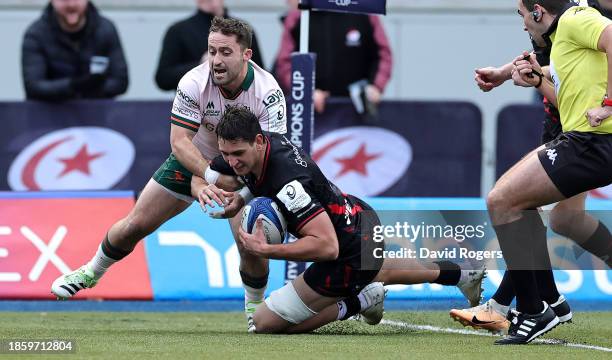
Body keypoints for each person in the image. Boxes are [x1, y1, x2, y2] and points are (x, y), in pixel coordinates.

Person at [51, 17, 287, 331]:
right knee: (134, 225)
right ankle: (90, 272)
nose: (216, 60)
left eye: (226, 52)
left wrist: (241, 194)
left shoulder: (268, 93)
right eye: (212, 51)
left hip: (245, 167)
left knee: (250, 240)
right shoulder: (193, 81)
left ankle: (255, 309)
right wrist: (206, 179)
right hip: (194, 158)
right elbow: (179, 142)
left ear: (247, 55)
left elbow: (269, 156)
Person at [201, 105, 486, 334]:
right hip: (359, 218)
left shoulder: (291, 186)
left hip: (345, 250)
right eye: (226, 154)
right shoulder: (265, 144)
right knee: (377, 269)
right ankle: (461, 272)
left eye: (238, 154)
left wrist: (267, 250)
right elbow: (249, 175)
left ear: (259, 141)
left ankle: (358, 301)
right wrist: (240, 198)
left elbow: (327, 247)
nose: (233, 162)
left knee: (264, 323)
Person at [449, 0, 612, 335]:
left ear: (537, 11)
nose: (522, 25)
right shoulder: (568, 21)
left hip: (589, 138)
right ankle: (547, 300)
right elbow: (553, 64)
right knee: (562, 218)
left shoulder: (577, 16)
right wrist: (509, 73)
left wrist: (608, 103)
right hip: (578, 132)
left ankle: (520, 305)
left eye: (523, 15)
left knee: (509, 201)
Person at [275, 9, 392, 113]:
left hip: (357, 111)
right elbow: (285, 64)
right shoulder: (300, 15)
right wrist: (305, 92)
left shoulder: (365, 12)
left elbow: (383, 55)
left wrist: (376, 86)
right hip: (313, 112)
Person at [22, 0, 128, 101]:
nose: (71, 5)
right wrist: (73, 86)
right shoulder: (36, 34)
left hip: (98, 113)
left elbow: (121, 82)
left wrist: (93, 87)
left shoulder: (106, 29)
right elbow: (34, 87)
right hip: (50, 115)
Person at [155, 0, 264, 91]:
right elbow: (163, 78)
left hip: (238, 108)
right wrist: (200, 65)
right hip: (195, 110)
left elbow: (260, 77)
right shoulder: (178, 31)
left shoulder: (243, 30)